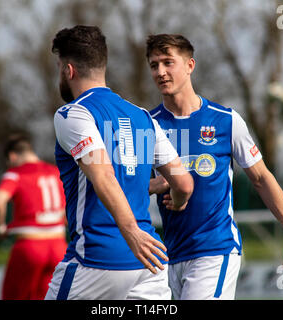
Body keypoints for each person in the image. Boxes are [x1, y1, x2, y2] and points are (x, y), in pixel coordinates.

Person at [146, 34, 283, 300]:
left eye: (168, 62)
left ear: (190, 65)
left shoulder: (226, 121)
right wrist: (160, 184)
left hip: (214, 250)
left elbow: (261, 178)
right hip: (168, 256)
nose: (161, 72)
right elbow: (128, 185)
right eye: (154, 65)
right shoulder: (147, 125)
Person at [44, 25, 194, 300]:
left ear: (68, 70)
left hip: (97, 259)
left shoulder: (73, 114)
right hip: (150, 262)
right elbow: (183, 182)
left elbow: (103, 176)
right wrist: (178, 199)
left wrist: (131, 232)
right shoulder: (142, 116)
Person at [0, 134, 68, 300]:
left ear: (12, 156)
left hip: (30, 246)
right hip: (59, 246)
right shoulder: (56, 172)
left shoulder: (15, 174)